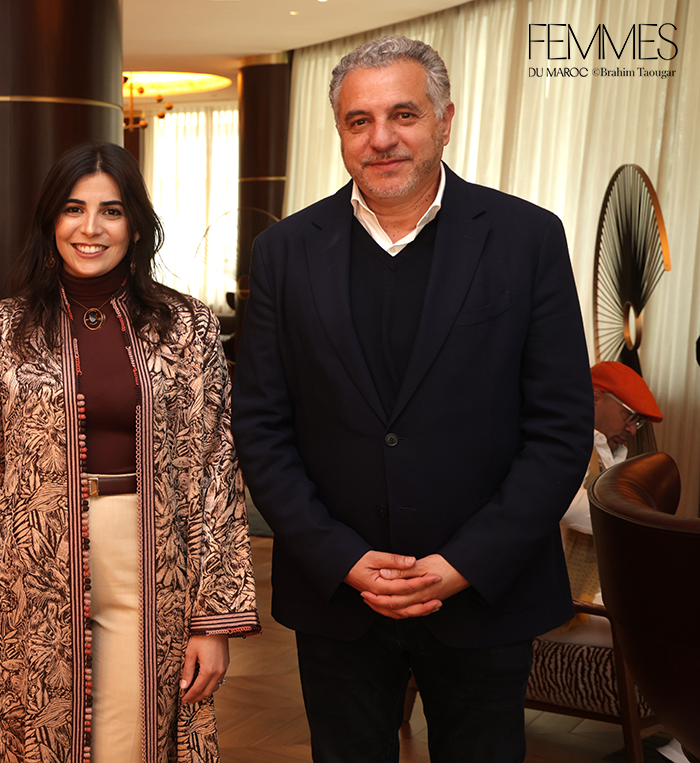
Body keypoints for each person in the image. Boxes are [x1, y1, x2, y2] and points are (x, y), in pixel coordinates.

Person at [231, 36, 594, 762]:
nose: (381, 138)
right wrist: (342, 557)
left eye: (403, 114)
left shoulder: (526, 238)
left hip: (485, 592)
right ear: (340, 133)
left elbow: (559, 429)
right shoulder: (283, 252)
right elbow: (261, 429)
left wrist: (464, 562)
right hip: (339, 596)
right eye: (358, 121)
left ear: (444, 120)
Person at [0, 141, 260, 763]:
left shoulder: (187, 327)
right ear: (51, 222)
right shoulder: (3, 328)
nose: (91, 228)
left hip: (153, 557)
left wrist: (213, 618)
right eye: (74, 209)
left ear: (136, 224)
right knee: (45, 736)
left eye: (111, 210)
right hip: (32, 565)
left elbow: (215, 472)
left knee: (135, 739)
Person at [558, 361, 662, 606]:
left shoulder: (609, 450)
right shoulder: (569, 439)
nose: (633, 430)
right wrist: (633, 520)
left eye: (638, 421)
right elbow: (565, 503)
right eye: (630, 416)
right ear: (595, 398)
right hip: (560, 593)